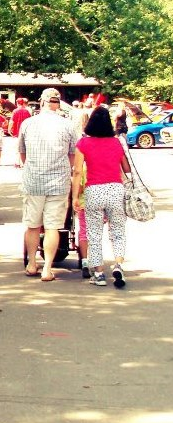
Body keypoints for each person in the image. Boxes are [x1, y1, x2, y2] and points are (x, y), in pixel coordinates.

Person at [18, 87, 77, 282]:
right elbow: (72, 156)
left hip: (33, 180)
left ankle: (32, 263)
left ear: (41, 102)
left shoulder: (27, 123)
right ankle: (47, 268)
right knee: (52, 226)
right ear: (58, 103)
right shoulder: (68, 125)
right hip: (58, 183)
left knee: (32, 225)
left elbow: (22, 153)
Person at [71, 106, 131, 287]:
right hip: (115, 189)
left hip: (94, 191)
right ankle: (118, 265)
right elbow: (126, 169)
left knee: (94, 233)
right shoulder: (116, 143)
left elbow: (77, 173)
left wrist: (75, 196)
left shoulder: (83, 144)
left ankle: (98, 274)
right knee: (118, 232)